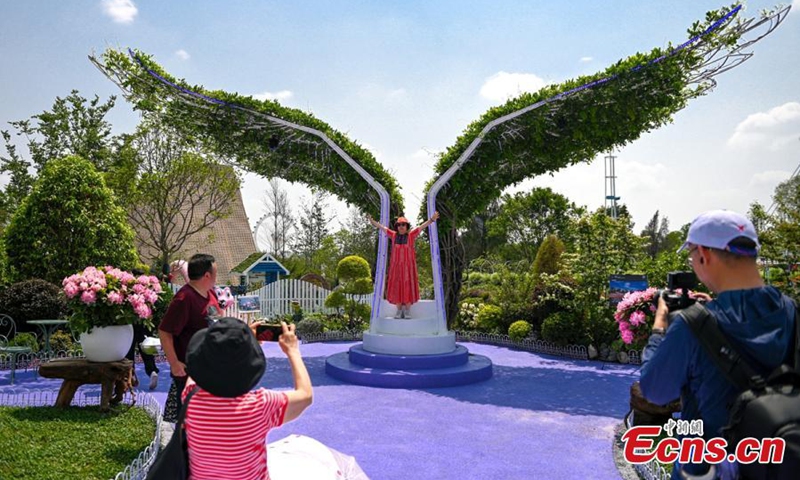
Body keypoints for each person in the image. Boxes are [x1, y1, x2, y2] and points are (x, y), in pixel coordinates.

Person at [640, 210, 796, 479]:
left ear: (704, 254)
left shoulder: (691, 326)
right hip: (781, 461)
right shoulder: (792, 310)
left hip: (705, 468)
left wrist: (659, 327)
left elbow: (656, 391)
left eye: (691, 257)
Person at [181, 317, 313, 480]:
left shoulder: (189, 397)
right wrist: (292, 350)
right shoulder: (261, 405)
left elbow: (197, 369)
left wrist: (242, 344)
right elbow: (305, 395)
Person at [158, 253, 222, 422]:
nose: (217, 275)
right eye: (216, 271)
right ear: (207, 275)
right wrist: (174, 363)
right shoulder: (184, 299)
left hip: (211, 370)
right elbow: (165, 332)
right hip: (190, 374)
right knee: (188, 423)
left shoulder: (211, 294)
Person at [367, 211, 439, 319]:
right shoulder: (393, 235)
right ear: (397, 227)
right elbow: (382, 227)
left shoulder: (411, 235)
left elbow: (421, 226)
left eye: (403, 225)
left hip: (408, 269)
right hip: (396, 268)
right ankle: (399, 310)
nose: (401, 227)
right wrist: (372, 221)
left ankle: (407, 311)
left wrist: (432, 219)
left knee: (408, 286)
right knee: (397, 287)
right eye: (399, 225)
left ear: (406, 226)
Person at [126, 268, 160, 390]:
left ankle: (131, 376)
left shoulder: (128, 290)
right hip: (145, 323)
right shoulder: (149, 290)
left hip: (131, 324)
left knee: (129, 352)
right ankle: (152, 372)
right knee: (147, 350)